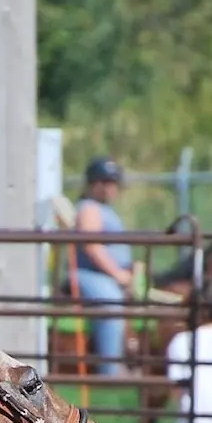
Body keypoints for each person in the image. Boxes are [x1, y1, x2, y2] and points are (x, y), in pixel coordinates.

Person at [74, 157, 134, 375]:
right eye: (107, 183)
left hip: (103, 275)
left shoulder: (103, 209)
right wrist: (118, 274)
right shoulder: (89, 208)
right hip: (89, 274)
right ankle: (110, 369)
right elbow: (92, 245)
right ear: (94, 184)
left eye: (113, 183)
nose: (112, 188)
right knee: (111, 303)